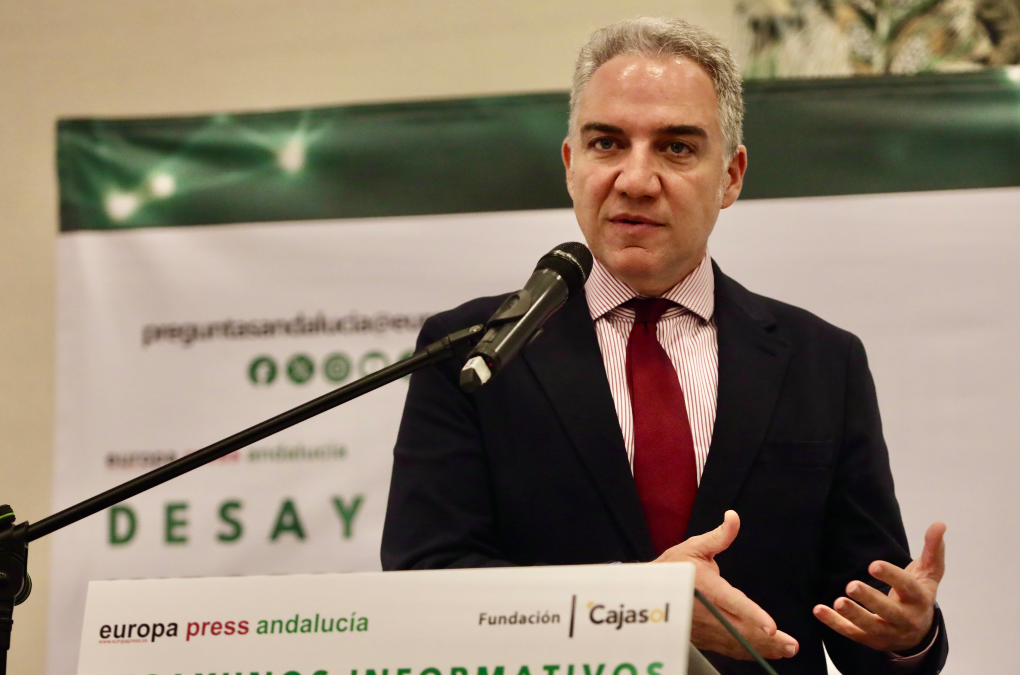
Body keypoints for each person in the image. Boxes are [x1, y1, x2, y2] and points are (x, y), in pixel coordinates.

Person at [383, 17, 948, 675]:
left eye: (676, 147)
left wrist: (906, 635)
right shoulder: (473, 351)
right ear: (571, 165)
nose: (635, 179)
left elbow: (861, 615)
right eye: (606, 143)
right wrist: (644, 605)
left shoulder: (822, 361)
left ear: (731, 176)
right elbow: (427, 584)